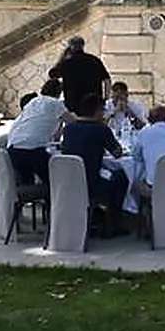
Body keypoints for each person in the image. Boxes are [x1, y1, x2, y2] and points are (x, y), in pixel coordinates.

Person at [60, 92, 127, 236]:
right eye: (102, 110)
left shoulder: (69, 129)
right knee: (121, 177)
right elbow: (117, 153)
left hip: (67, 182)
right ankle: (114, 223)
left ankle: (97, 215)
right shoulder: (101, 129)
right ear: (97, 111)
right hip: (90, 183)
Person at [5, 78, 67, 184]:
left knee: (29, 181)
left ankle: (34, 195)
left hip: (13, 148)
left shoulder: (33, 102)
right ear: (59, 92)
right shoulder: (55, 104)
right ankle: (51, 199)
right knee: (55, 179)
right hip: (31, 149)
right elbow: (74, 122)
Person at [48, 36, 109, 115]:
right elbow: (107, 80)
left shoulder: (66, 63)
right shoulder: (94, 60)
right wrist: (106, 98)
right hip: (93, 103)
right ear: (83, 46)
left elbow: (52, 74)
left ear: (70, 47)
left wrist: (62, 57)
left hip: (73, 103)